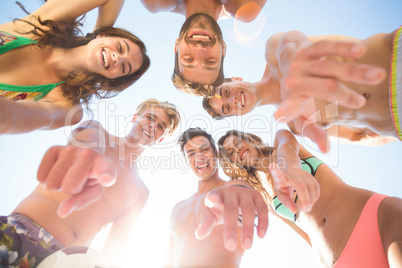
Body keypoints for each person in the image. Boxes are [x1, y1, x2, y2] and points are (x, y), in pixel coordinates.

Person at [0, 99, 180, 267]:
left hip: (64, 262)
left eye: (161, 126)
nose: (153, 126)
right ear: (135, 118)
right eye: (150, 117)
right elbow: (85, 140)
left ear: (161, 138)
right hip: (19, 232)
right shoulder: (98, 131)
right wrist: (89, 150)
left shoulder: (141, 191)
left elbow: (117, 244)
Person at [218, 129, 402, 267]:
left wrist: (290, 167)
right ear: (234, 162)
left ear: (249, 139)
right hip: (338, 260)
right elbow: (304, 234)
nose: (237, 149)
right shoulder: (267, 200)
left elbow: (286, 145)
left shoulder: (282, 143)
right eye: (231, 152)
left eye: (237, 142)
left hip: (373, 217)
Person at [202, 28, 402, 152]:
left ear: (235, 78)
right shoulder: (297, 125)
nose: (233, 100)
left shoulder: (273, 54)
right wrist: (392, 133)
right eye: (228, 108)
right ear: (239, 114)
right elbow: (358, 136)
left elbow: (293, 44)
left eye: (226, 92)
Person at [0, 0, 150, 134]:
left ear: (111, 79)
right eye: (120, 47)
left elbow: (13, 118)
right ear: (104, 35)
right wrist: (96, 37)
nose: (117, 58)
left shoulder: (69, 107)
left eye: (124, 68)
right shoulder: (45, 25)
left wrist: (100, 43)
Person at [163, 127, 270, 268]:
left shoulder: (234, 187)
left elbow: (243, 192)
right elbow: (169, 260)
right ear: (188, 162)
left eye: (204, 150)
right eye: (191, 153)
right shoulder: (177, 208)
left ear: (216, 154)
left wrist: (243, 193)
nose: (199, 157)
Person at [140, 0, 267, 96]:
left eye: (188, 59)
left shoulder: (157, 2)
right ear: (223, 49)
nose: (199, 49)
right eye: (210, 61)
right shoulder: (243, 7)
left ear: (177, 47)